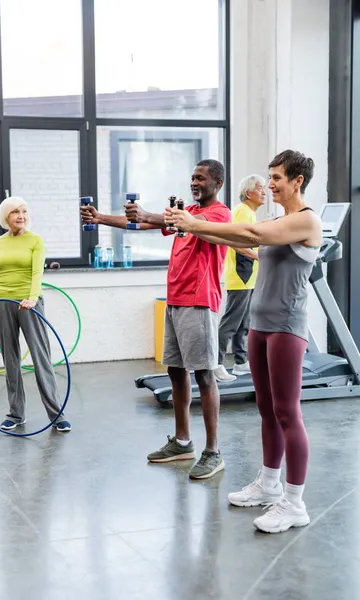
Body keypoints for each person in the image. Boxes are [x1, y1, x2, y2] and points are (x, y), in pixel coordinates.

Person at [166, 149, 322, 532]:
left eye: (277, 178)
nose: (269, 185)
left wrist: (195, 222)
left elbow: (252, 233)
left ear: (297, 181)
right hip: (260, 324)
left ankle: (295, 502)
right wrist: (195, 227)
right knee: (266, 410)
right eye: (269, 177)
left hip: (286, 326)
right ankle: (268, 484)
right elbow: (248, 242)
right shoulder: (279, 219)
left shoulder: (305, 220)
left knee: (288, 412)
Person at [81, 159, 232, 479]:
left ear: (216, 183)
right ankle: (182, 442)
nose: (195, 182)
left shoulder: (218, 214)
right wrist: (101, 218)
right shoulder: (185, 212)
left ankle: (213, 451)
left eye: (201, 178)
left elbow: (183, 222)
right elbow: (144, 224)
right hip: (176, 299)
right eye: (192, 177)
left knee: (204, 375)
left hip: (200, 301)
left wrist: (149, 213)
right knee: (176, 370)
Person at [0, 197, 71, 433]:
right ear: (5, 217)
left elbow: (37, 273)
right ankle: (16, 413)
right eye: (15, 212)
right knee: (10, 360)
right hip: (2, 303)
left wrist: (31, 298)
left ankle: (56, 414)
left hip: (29, 303)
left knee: (41, 358)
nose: (21, 216)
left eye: (24, 211)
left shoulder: (35, 241)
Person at [214, 174, 266, 382]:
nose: (265, 192)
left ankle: (240, 362)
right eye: (260, 188)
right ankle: (215, 364)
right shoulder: (242, 212)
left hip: (248, 276)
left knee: (244, 322)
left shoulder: (248, 213)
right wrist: (258, 255)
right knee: (231, 322)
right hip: (240, 275)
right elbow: (232, 241)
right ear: (248, 193)